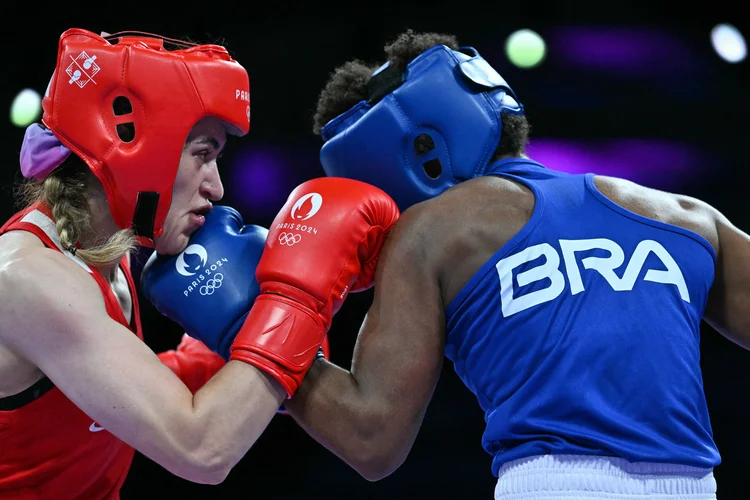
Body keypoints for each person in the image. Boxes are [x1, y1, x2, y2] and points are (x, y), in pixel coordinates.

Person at [277, 30, 749, 499]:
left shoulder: (428, 231)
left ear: (418, 151)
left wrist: (249, 329)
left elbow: (370, 438)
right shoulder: (686, 218)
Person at [0, 28, 397, 499]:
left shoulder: (100, 254)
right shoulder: (32, 278)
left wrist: (196, 364)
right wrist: (296, 296)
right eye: (203, 155)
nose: (216, 188)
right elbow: (202, 449)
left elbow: (78, 397)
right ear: (136, 147)